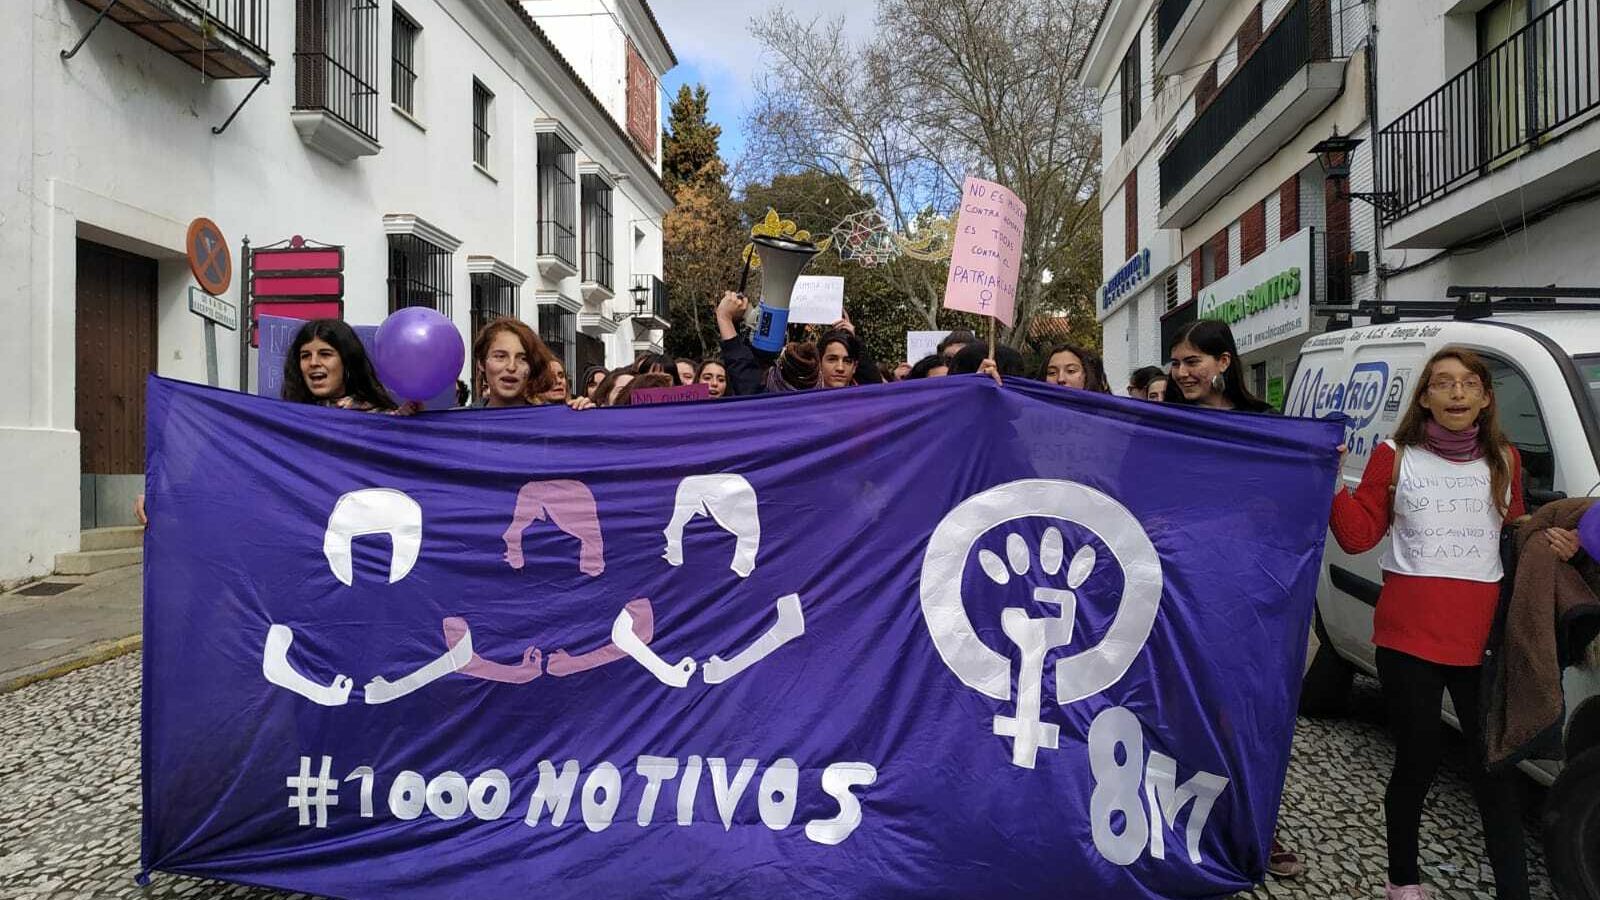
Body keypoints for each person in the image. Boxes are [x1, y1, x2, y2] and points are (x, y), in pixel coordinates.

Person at [1330, 347, 1535, 900]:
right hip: (1408, 638)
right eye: (1443, 384)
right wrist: (1329, 481)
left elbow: (1513, 536)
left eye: (1469, 384)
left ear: (1486, 397)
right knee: (1417, 762)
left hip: (1481, 642)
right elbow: (1355, 537)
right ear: (1424, 397)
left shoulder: (1507, 461)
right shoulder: (1394, 457)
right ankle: (1403, 881)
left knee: (1494, 770)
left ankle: (1513, 889)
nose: (1457, 394)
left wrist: (1549, 537)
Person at [283, 319, 398, 411]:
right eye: (305, 356)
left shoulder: (382, 421)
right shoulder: (288, 418)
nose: (313, 363)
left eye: (325, 354)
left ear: (347, 362)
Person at [1162, 320, 1273, 411]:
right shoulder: (1166, 421)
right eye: (1175, 364)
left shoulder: (1264, 419)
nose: (1181, 373)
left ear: (1223, 362)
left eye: (1192, 362)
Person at [1040, 344, 1112, 393]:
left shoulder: (1109, 413)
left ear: (1087, 375)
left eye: (1071, 371)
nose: (1060, 379)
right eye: (1052, 373)